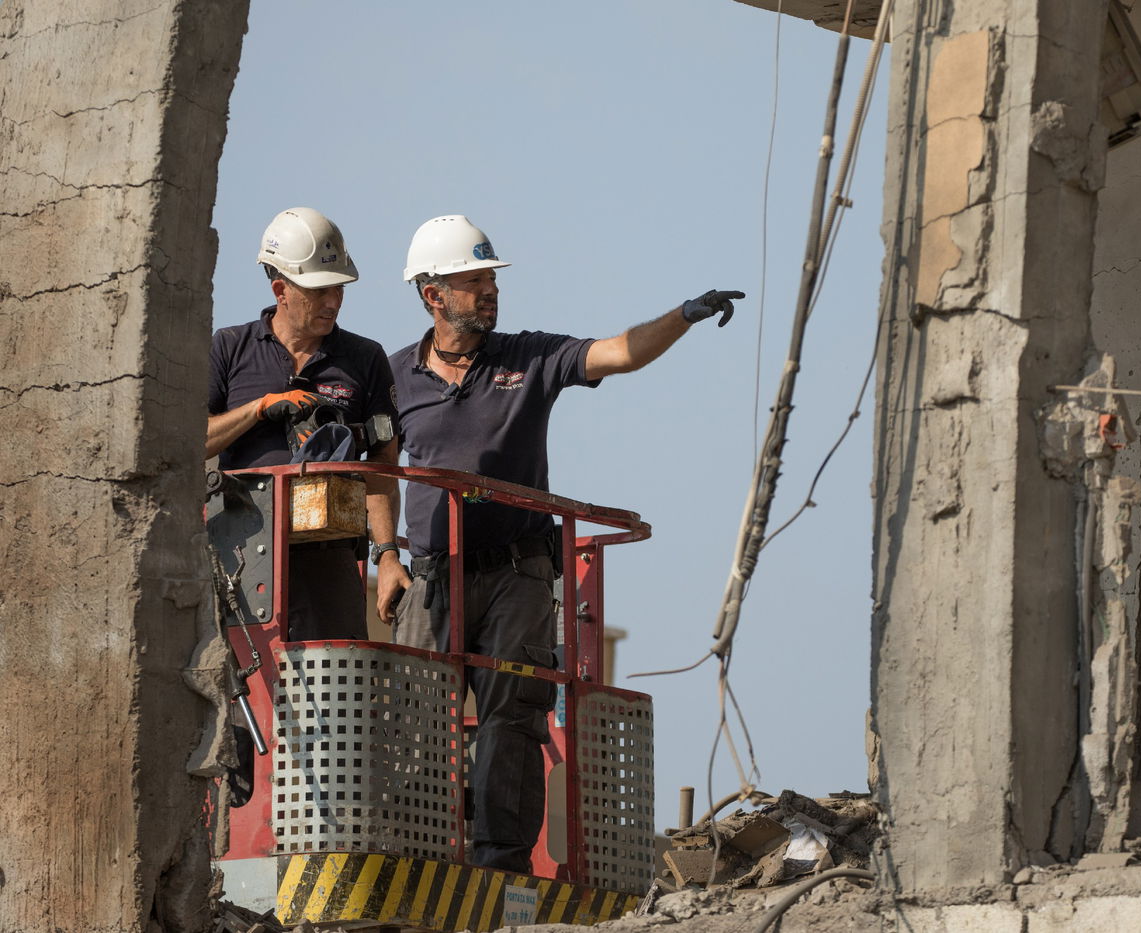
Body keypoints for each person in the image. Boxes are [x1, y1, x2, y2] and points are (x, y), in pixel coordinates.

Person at [380, 213, 742, 872]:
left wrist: (684, 315)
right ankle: (417, 862)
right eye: (474, 281)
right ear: (433, 294)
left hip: (517, 575)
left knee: (512, 717)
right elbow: (377, 471)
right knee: (416, 716)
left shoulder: (529, 356)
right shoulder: (394, 375)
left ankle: (502, 867)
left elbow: (620, 351)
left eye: (492, 279)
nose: (490, 290)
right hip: (432, 575)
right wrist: (385, 556)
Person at [207, 206, 413, 640]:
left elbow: (382, 465)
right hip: (240, 553)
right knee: (244, 671)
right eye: (319, 291)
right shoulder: (229, 347)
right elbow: (193, 441)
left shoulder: (364, 359)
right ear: (280, 289)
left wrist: (388, 553)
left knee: (335, 673)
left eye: (339, 288)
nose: (333, 302)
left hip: (329, 558)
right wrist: (260, 409)